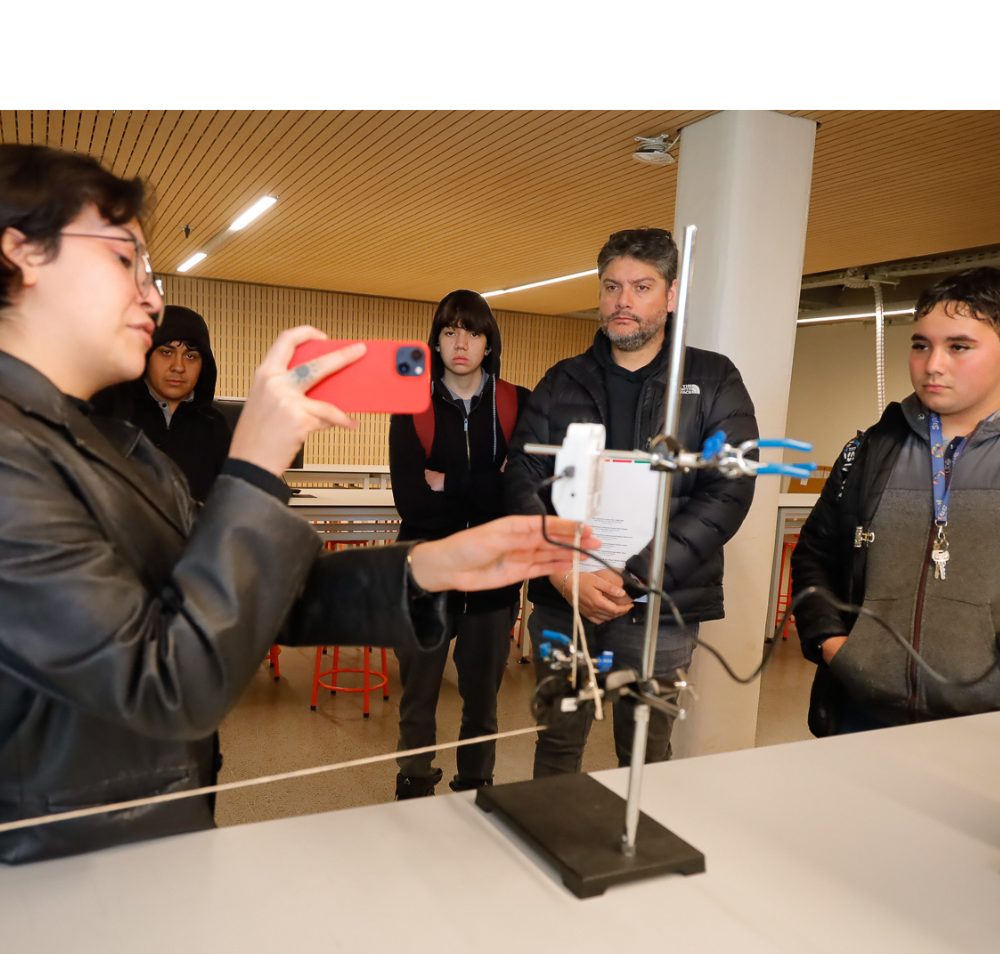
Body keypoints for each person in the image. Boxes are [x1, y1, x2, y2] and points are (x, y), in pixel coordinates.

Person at [0, 143, 591, 864]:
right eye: (127, 260)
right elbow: (162, 681)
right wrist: (252, 466)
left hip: (138, 843)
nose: (153, 297)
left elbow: (263, 598)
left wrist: (429, 567)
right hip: (53, 872)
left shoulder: (103, 440)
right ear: (23, 251)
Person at [505, 227, 758, 777]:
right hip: (563, 598)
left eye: (642, 287)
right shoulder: (561, 381)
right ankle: (553, 842)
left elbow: (730, 487)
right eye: (611, 286)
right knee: (556, 745)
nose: (624, 302)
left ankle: (638, 850)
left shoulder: (712, 380)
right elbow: (522, 478)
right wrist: (564, 570)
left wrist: (637, 576)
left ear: (670, 297)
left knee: (645, 754)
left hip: (661, 605)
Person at [791, 267, 1000, 736]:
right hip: (861, 714)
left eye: (959, 346)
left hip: (986, 731)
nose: (932, 364)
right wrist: (833, 643)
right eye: (921, 344)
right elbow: (816, 555)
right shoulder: (873, 449)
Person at [389, 290, 530, 798]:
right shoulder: (412, 406)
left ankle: (476, 785)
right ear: (437, 342)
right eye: (449, 331)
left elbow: (522, 494)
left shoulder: (519, 403)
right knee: (418, 697)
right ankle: (414, 784)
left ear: (489, 342)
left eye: (472, 331)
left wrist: (447, 482)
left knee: (483, 702)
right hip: (427, 576)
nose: (460, 342)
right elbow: (410, 502)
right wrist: (487, 483)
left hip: (493, 579)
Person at [92, 305, 232, 502]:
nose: (178, 367)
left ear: (204, 365)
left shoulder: (215, 426)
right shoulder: (110, 412)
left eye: (191, 356)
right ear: (147, 356)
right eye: (166, 352)